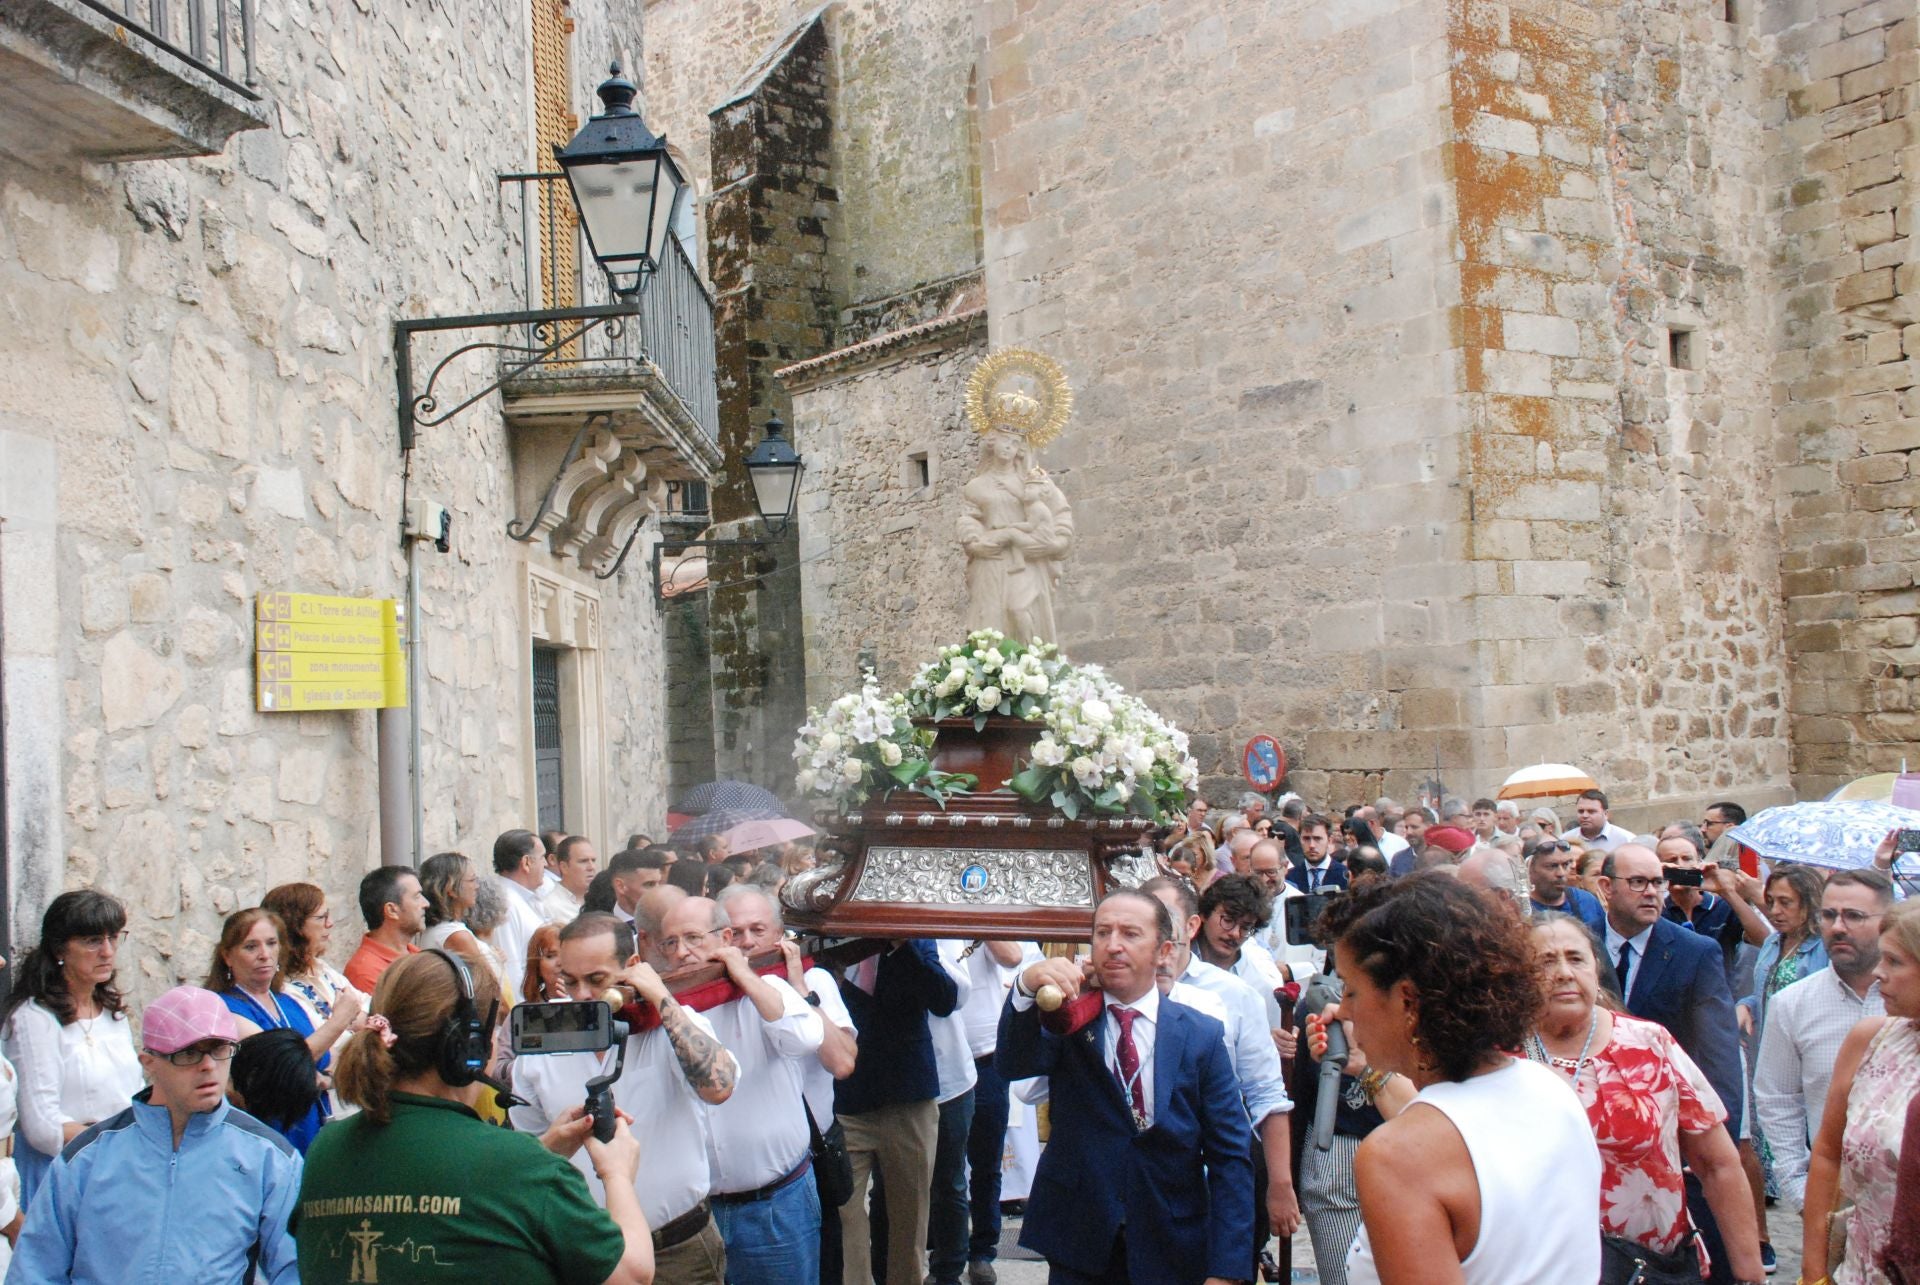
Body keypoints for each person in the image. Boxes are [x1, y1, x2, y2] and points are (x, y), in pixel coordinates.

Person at [296, 949, 656, 1284]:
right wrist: (617, 1174)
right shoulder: (519, 1166)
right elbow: (631, 1274)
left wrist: (542, 1151)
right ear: (469, 1047)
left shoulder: (325, 1150)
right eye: (494, 1029)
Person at [1314, 873, 1601, 1284]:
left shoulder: (1398, 1154)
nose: (1342, 1009)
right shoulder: (1550, 1087)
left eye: (1351, 990)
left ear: (1407, 1000)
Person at [999, 889, 1254, 1285]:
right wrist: (1025, 989)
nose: (1113, 946)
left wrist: (1227, 1267)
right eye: (1102, 933)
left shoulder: (1200, 1034)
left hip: (1172, 1236)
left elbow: (1230, 1155)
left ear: (1164, 950)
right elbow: (1014, 1063)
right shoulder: (1070, 1019)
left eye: (1130, 934)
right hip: (1081, 1238)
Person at [1526, 916, 1764, 1283]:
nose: (1562, 972)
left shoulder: (1648, 1042)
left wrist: (1749, 1274)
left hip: (1653, 1269)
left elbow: (1717, 1164)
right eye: (1545, 961)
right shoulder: (1500, 1056)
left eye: (1576, 958)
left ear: (1595, 966)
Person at [8, 985, 301, 1284]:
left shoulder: (270, 1158)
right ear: (149, 1064)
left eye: (219, 1048)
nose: (208, 1066)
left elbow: (295, 1269)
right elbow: (35, 1270)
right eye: (188, 1053)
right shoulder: (86, 1158)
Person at [510, 913, 735, 1284]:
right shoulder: (543, 1044)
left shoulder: (677, 1023)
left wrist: (661, 997)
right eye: (571, 980)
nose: (582, 995)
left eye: (597, 980)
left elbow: (719, 1087)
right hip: (587, 1250)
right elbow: (531, 1150)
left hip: (678, 1249)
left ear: (631, 967)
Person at [1599, 843, 1745, 1283]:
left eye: (1658, 883)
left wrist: (1714, 1153)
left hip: (1674, 1151)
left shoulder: (1694, 952)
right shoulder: (1581, 946)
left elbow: (1718, 1061)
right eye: (1638, 882)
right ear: (1606, 887)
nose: (1652, 893)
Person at [1143, 877, 1299, 1283]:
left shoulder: (1233, 995)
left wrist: (1279, 1184)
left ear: (1189, 924)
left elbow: (1266, 1094)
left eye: (1166, 921)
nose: (1234, 934)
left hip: (1218, 1177)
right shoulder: (1118, 988)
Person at [676, 893, 826, 1285]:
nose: (682, 952)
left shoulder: (767, 987)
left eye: (694, 938)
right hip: (695, 1215)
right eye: (669, 942)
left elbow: (804, 1039)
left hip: (774, 1207)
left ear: (722, 938)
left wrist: (745, 976)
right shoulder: (663, 1006)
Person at [1754, 868, 1893, 1212]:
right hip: (1833, 1197)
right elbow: (1776, 1097)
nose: (1838, 927)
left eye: (1854, 916)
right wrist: (1802, 1189)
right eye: (1829, 915)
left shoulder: (1906, 999)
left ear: (1887, 921)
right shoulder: (1793, 1003)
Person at [1799, 898, 1920, 1285]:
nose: (1878, 973)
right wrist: (1814, 1272)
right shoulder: (1873, 1038)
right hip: (1859, 1271)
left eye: (1895, 962)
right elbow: (1828, 1153)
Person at [0, 890, 143, 1215]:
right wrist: (117, 1146)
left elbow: (132, 1094)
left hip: (120, 1169)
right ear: (60, 949)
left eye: (113, 938)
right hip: (64, 1173)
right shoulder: (35, 1019)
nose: (107, 951)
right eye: (93, 940)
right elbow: (42, 1127)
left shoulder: (111, 1013)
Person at [834, 939, 959, 1285]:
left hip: (908, 1097)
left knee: (911, 1217)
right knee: (846, 1215)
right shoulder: (828, 939)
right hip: (846, 1099)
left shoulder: (914, 939)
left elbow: (944, 999)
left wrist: (898, 944)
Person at [206, 907, 355, 1153]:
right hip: (267, 1135)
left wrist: (323, 1076)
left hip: (311, 1126)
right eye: (250, 947)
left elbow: (329, 1059)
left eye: (271, 943)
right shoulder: (224, 1007)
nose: (264, 954)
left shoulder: (289, 1002)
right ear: (227, 956)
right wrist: (339, 1022)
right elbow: (277, 1068)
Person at [1737, 861, 1828, 1267]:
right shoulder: (1774, 943)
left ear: (1809, 905)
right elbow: (1767, 991)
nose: (1774, 910)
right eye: (1771, 901)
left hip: (1811, 1059)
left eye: (1785, 902)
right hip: (1773, 1057)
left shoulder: (1822, 947)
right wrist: (1746, 1004)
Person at [262, 882, 368, 1058]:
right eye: (321, 918)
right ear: (295, 926)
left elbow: (367, 1003)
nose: (330, 923)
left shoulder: (320, 968)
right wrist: (346, 1019)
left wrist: (351, 1018)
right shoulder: (284, 988)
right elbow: (330, 1043)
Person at [342, 866, 428, 995]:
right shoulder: (365, 972)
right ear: (392, 910)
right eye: (416, 897)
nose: (426, 903)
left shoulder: (416, 954)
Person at [492, 828, 552, 997]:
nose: (546, 864)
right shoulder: (505, 903)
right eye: (542, 858)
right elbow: (511, 967)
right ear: (526, 862)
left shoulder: (525, 898)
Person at [1525, 838, 1607, 936]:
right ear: (1530, 869)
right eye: (1551, 866)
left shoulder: (1587, 902)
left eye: (1565, 865)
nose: (1561, 873)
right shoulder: (1517, 910)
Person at [418, 850, 485, 957]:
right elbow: (485, 973)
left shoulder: (443, 930)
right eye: (472, 880)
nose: (477, 886)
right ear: (451, 888)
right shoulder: (456, 935)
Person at [543, 835, 601, 924]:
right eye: (583, 861)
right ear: (564, 867)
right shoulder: (548, 906)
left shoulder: (601, 900)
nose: (591, 867)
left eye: (593, 860)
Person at [1286, 815, 1349, 895]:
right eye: (1306, 838)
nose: (1312, 845)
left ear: (1329, 840)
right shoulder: (1289, 877)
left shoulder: (1345, 875)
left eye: (1317, 838)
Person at [1574, 788, 1634, 853]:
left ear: (1606, 814)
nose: (1585, 815)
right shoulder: (1566, 839)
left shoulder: (1626, 840)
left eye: (1591, 811)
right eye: (1581, 811)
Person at [521, 922, 563, 1005]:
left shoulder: (591, 1006)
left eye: (567, 954)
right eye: (550, 956)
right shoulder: (523, 1012)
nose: (560, 962)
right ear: (537, 966)